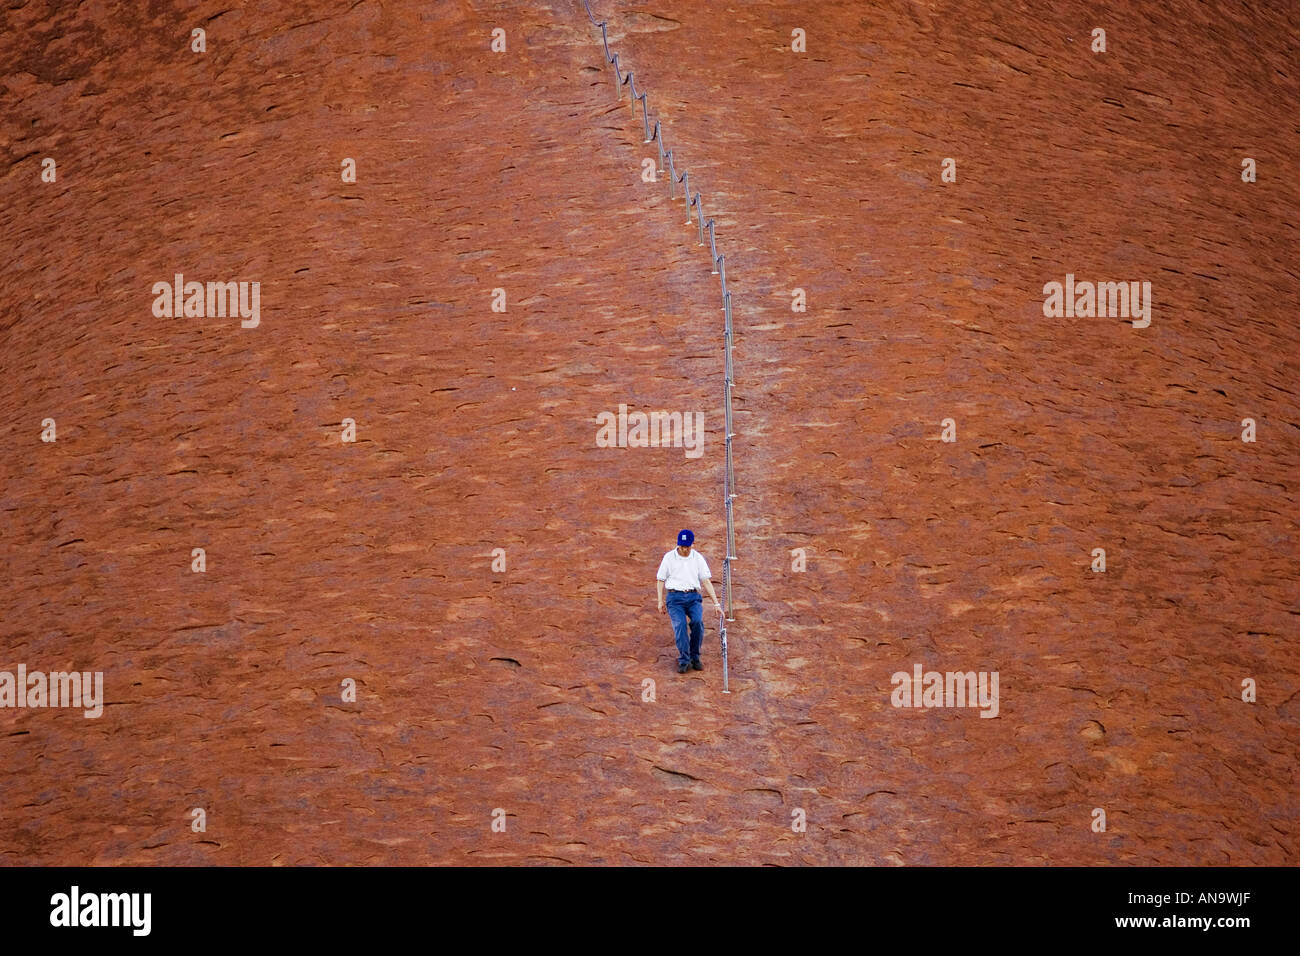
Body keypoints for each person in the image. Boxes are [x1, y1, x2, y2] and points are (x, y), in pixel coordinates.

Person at [656, 529, 723, 674]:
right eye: (682, 546)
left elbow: (706, 581)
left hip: (693, 598)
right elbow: (661, 579)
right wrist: (660, 601)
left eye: (687, 546)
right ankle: (684, 660)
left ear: (692, 544)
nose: (684, 549)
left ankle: (695, 657)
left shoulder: (698, 558)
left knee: (698, 623)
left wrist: (716, 603)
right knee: (680, 626)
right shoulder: (669, 557)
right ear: (678, 544)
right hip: (675, 598)